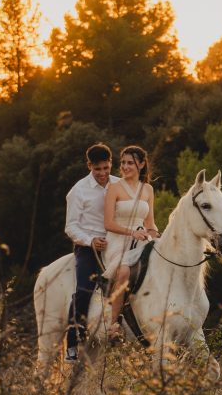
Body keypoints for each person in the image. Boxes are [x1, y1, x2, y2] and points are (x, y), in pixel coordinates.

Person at [63, 143, 119, 362]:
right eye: (98, 169)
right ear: (89, 166)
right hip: (88, 247)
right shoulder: (78, 191)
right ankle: (73, 342)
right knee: (84, 289)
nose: (103, 174)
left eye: (106, 168)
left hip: (117, 243)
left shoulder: (118, 184)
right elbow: (71, 226)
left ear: (111, 164)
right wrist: (90, 240)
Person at [102, 145, 159, 331]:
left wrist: (155, 235)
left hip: (142, 238)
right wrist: (132, 232)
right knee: (125, 271)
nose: (125, 167)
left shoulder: (148, 189)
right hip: (118, 239)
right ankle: (113, 323)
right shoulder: (114, 188)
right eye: (123, 163)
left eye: (130, 163)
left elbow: (150, 223)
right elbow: (108, 223)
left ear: (141, 164)